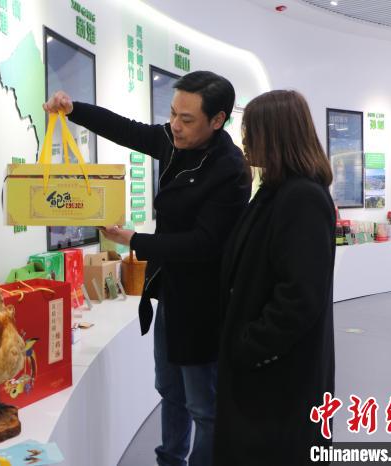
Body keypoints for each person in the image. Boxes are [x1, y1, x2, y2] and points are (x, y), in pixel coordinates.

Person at [44, 71, 251, 466]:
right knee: (170, 391)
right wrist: (74, 110)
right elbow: (127, 130)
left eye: (186, 119)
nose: (175, 125)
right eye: (172, 114)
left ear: (217, 120)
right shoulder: (174, 142)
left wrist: (133, 240)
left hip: (205, 305)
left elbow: (203, 244)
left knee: (204, 406)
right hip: (171, 291)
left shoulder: (229, 170)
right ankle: (169, 459)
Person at [215, 90, 335, 465]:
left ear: (275, 134)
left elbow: (301, 296)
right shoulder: (274, 190)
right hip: (264, 375)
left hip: (279, 379)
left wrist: (250, 347)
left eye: (251, 131)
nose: (245, 141)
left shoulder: (302, 197)